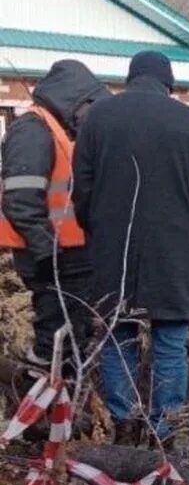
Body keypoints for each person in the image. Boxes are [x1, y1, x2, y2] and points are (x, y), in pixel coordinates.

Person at [73, 51, 189, 447]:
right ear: (168, 83)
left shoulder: (97, 119)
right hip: (171, 249)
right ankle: (166, 432)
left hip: (112, 247)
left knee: (118, 335)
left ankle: (124, 425)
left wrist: (99, 231)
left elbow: (82, 191)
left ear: (131, 77)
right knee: (171, 339)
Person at [0, 60, 109, 371]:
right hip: (50, 256)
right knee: (56, 335)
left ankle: (62, 395)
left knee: (74, 331)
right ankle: (43, 396)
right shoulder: (32, 132)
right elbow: (20, 201)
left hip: (67, 253)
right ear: (74, 100)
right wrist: (48, 253)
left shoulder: (55, 130)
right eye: (89, 106)